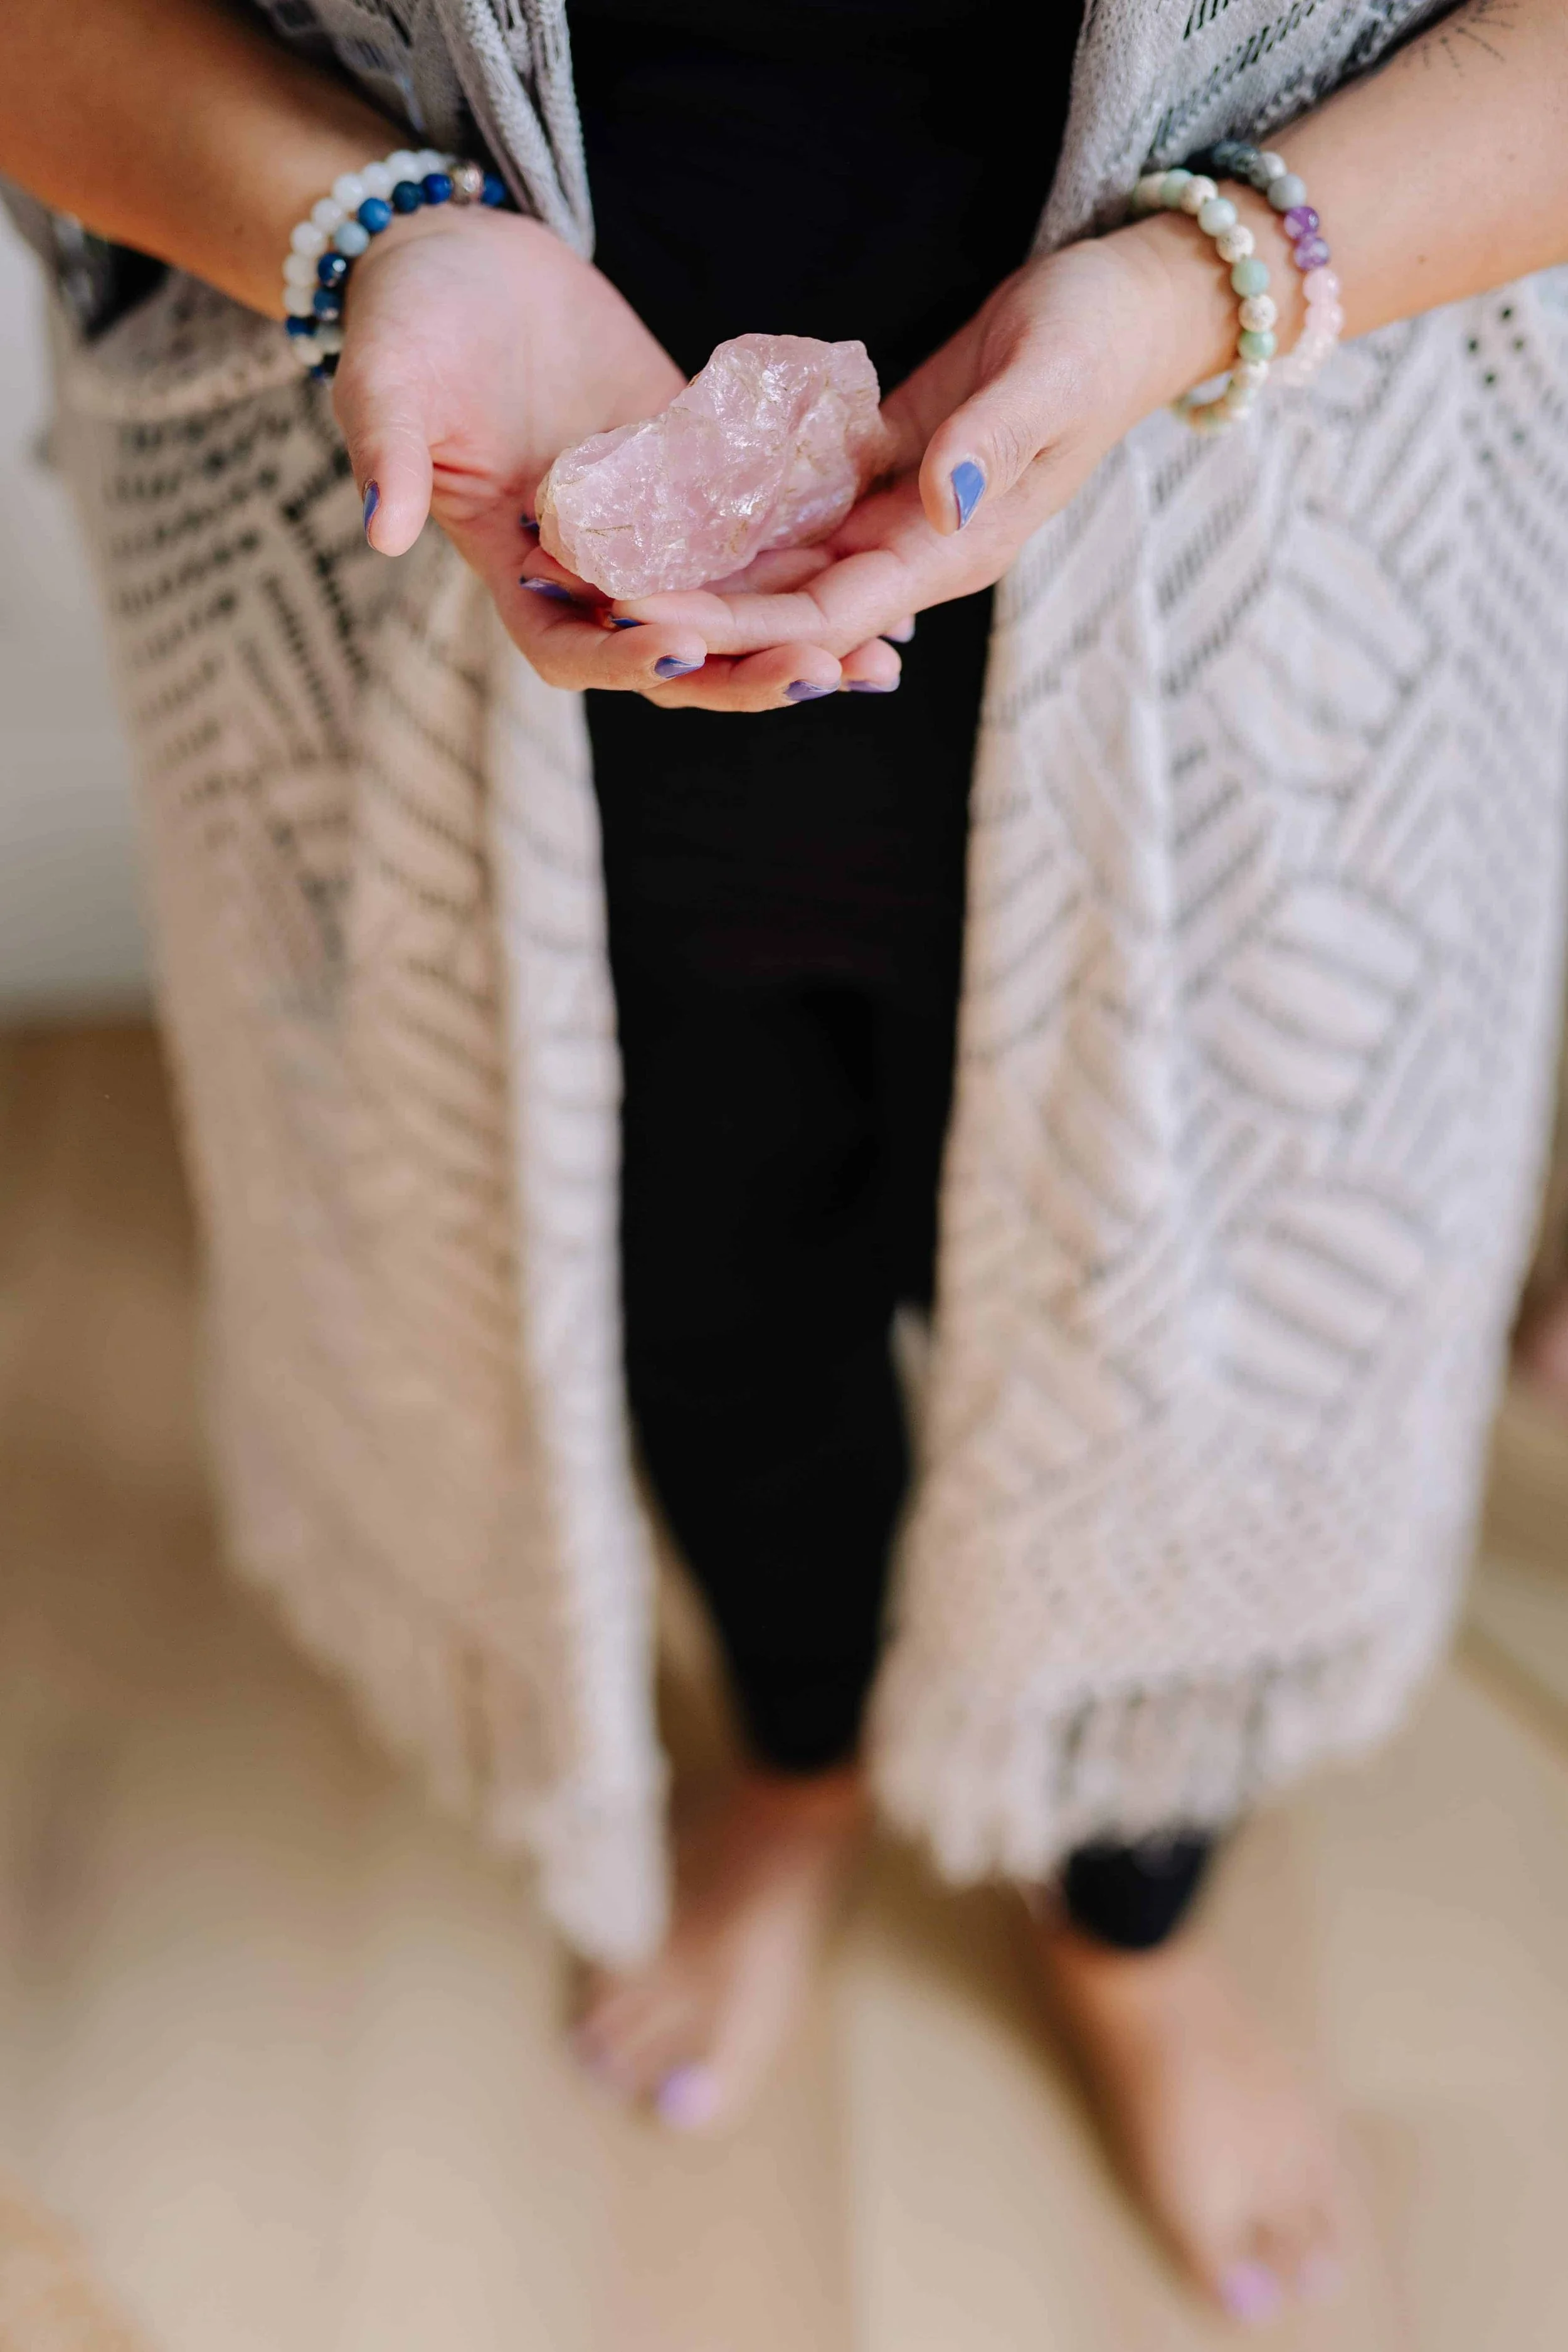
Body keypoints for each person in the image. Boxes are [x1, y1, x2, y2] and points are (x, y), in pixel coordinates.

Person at [6, 0, 1567, 2326]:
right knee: (696, 1317)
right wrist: (370, 230)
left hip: (1268, 662)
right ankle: (806, 1759)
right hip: (467, 666)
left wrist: (1197, 281)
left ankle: (1125, 1921)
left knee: (1204, 1383)